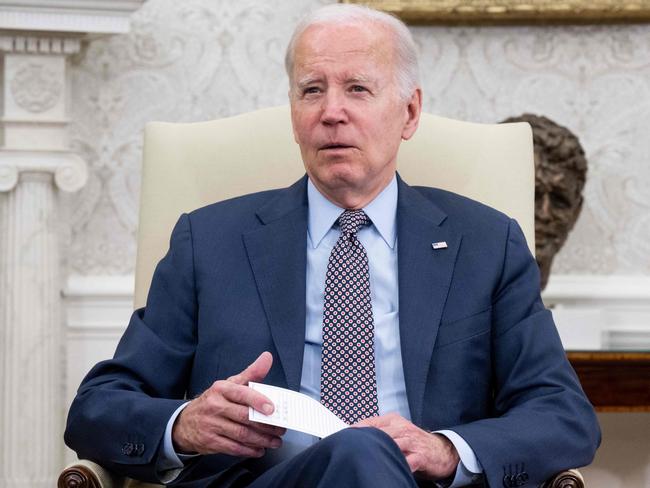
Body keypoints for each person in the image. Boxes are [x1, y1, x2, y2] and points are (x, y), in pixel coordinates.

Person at [65, 4, 600, 488]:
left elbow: (562, 414)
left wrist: (443, 449)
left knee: (365, 454)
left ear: (409, 113)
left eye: (358, 89)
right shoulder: (210, 241)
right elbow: (97, 408)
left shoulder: (485, 243)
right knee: (360, 453)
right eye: (311, 90)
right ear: (294, 114)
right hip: (257, 483)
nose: (331, 112)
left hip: (416, 483)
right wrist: (186, 424)